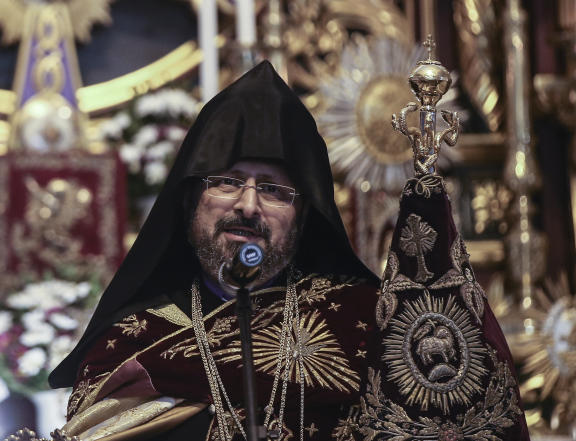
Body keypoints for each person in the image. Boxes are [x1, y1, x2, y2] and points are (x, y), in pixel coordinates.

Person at [47, 62, 527, 441]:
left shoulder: (365, 325)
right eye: (228, 182)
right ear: (192, 200)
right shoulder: (132, 344)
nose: (248, 205)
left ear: (303, 215)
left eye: (274, 190)